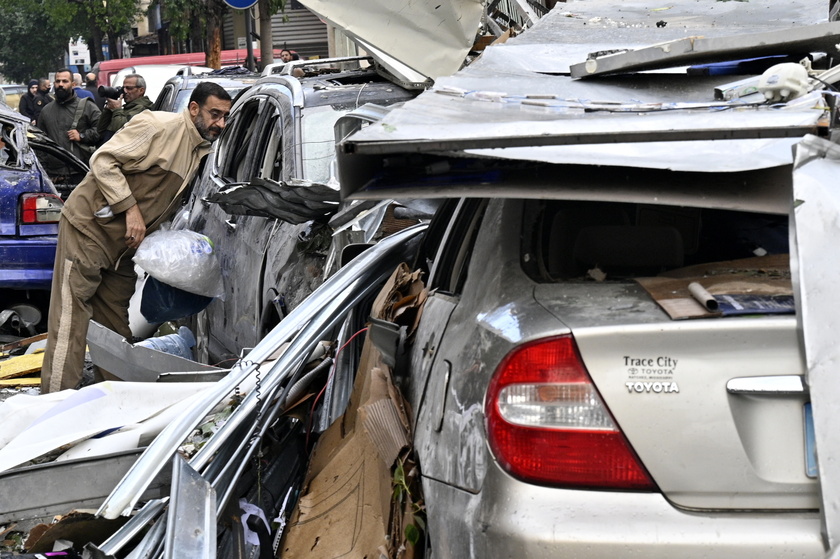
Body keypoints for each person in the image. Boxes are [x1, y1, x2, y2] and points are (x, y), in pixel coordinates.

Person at [40, 81, 232, 393]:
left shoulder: (199, 148)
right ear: (194, 109)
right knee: (70, 318)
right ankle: (54, 404)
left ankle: (116, 400)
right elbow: (103, 160)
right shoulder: (157, 125)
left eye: (225, 116)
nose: (220, 123)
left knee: (115, 324)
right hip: (88, 229)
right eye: (214, 114)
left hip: (123, 248)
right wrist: (129, 209)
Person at [37, 68, 100, 165]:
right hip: (54, 174)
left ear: (73, 84)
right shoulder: (46, 111)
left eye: (65, 81)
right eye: (58, 81)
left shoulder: (87, 106)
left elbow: (101, 131)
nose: (60, 84)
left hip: (79, 170)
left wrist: (82, 136)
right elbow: (39, 141)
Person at [97, 73, 152, 144]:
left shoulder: (142, 109)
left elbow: (121, 131)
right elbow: (100, 130)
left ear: (141, 90)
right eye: (123, 88)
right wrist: (108, 110)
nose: (125, 92)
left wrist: (117, 109)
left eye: (129, 88)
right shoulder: (126, 108)